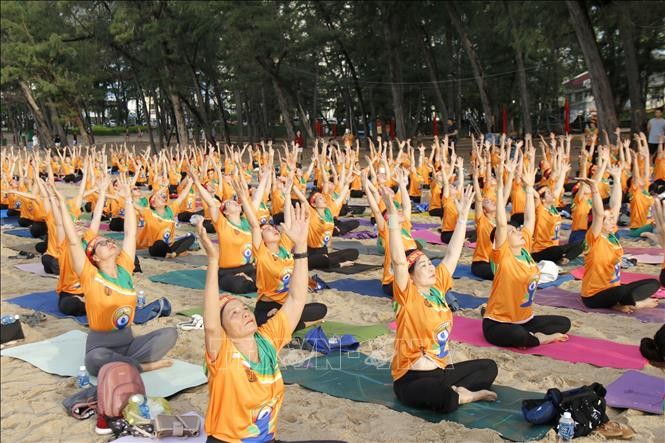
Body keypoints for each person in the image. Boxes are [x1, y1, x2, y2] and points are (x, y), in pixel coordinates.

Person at [53, 176, 176, 434]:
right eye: (100, 244)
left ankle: (128, 362)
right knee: (98, 359)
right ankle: (140, 366)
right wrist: (65, 215)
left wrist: (128, 199)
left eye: (108, 240)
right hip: (101, 346)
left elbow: (131, 232)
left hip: (129, 341)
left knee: (170, 333)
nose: (108, 242)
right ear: (94, 258)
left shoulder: (125, 268)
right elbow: (75, 243)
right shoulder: (90, 275)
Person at [383, 177, 498, 413]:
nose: (431, 268)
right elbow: (397, 260)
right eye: (423, 266)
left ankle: (457, 392)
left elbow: (453, 253)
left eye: (429, 263)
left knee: (489, 367)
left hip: (442, 371)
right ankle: (463, 397)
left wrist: (464, 215)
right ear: (411, 275)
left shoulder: (438, 287)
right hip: (411, 379)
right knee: (444, 400)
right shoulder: (408, 294)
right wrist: (392, 215)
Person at [199, 198, 310, 443]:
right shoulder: (223, 352)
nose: (245, 313)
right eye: (233, 314)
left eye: (244, 308)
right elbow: (209, 325)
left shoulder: (268, 340)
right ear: (224, 329)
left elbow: (296, 300)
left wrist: (301, 247)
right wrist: (213, 261)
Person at [482, 146, 571, 348]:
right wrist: (501, 185)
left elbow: (530, 218)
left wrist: (530, 188)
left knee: (564, 323)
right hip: (498, 322)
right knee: (518, 336)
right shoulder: (502, 256)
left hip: (525, 319)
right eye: (512, 233)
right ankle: (539, 338)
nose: (518, 232)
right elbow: (502, 224)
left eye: (517, 230)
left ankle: (530, 332)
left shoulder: (524, 250)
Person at [235, 176, 327, 330]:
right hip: (267, 304)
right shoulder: (261, 253)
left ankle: (287, 319)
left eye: (272, 228)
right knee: (265, 323)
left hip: (288, 304)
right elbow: (254, 226)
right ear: (262, 240)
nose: (272, 229)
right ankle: (294, 322)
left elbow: (289, 221)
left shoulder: (284, 246)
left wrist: (287, 194)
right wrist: (244, 199)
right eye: (267, 230)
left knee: (321, 309)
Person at [577, 165, 660, 312]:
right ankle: (636, 304)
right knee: (623, 291)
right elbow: (599, 214)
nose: (612, 221)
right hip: (593, 296)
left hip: (613, 289)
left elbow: (615, 204)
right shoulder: (593, 238)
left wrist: (616, 178)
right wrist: (595, 189)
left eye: (611, 219)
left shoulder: (611, 236)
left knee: (653, 283)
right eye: (608, 220)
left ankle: (619, 303)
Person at [136, 178, 196, 258]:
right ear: (153, 204)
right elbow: (136, 205)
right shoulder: (149, 213)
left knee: (191, 237)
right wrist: (126, 198)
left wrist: (190, 182)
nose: (162, 198)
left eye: (163, 197)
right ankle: (178, 252)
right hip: (157, 247)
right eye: (159, 198)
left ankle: (174, 253)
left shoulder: (170, 210)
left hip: (169, 246)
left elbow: (182, 197)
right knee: (159, 243)